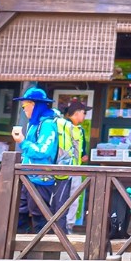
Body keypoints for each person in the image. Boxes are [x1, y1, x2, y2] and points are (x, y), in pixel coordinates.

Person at [10, 87, 59, 233]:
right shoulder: (34, 124)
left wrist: (23, 141)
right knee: (19, 212)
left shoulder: (48, 124)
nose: (23, 109)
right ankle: (24, 251)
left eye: (25, 105)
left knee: (40, 217)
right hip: (28, 176)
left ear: (34, 104)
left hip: (42, 179)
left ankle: (40, 252)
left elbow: (43, 151)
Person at [53, 99, 90, 234]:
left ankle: (66, 227)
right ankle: (64, 228)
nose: (84, 116)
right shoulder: (65, 127)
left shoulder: (75, 128)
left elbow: (80, 151)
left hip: (72, 168)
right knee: (69, 198)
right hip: (67, 169)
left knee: (71, 198)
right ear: (77, 112)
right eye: (84, 113)